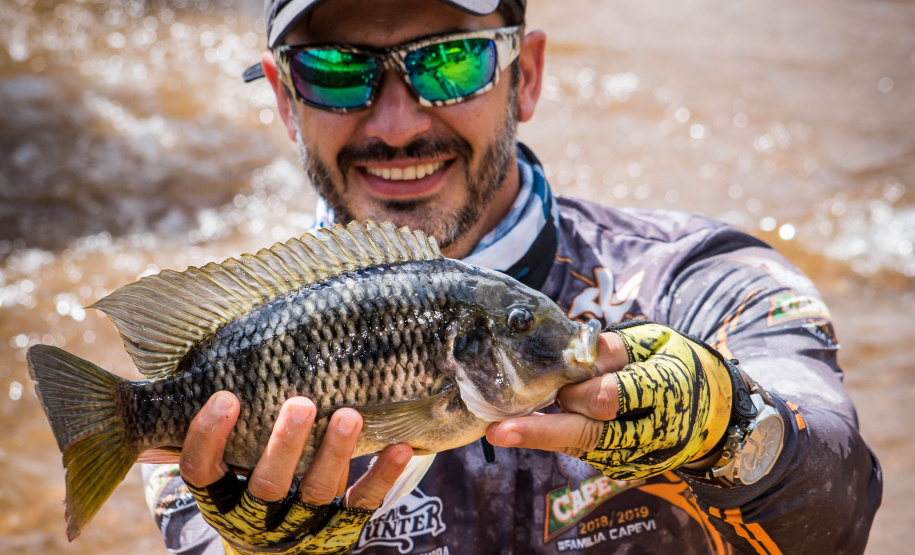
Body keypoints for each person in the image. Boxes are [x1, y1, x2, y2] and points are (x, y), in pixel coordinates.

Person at [143, 0, 882, 553]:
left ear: (524, 75)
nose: (396, 124)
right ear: (283, 98)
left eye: (450, 62)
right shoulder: (219, 379)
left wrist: (730, 428)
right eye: (336, 71)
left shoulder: (705, 279)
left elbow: (843, 510)